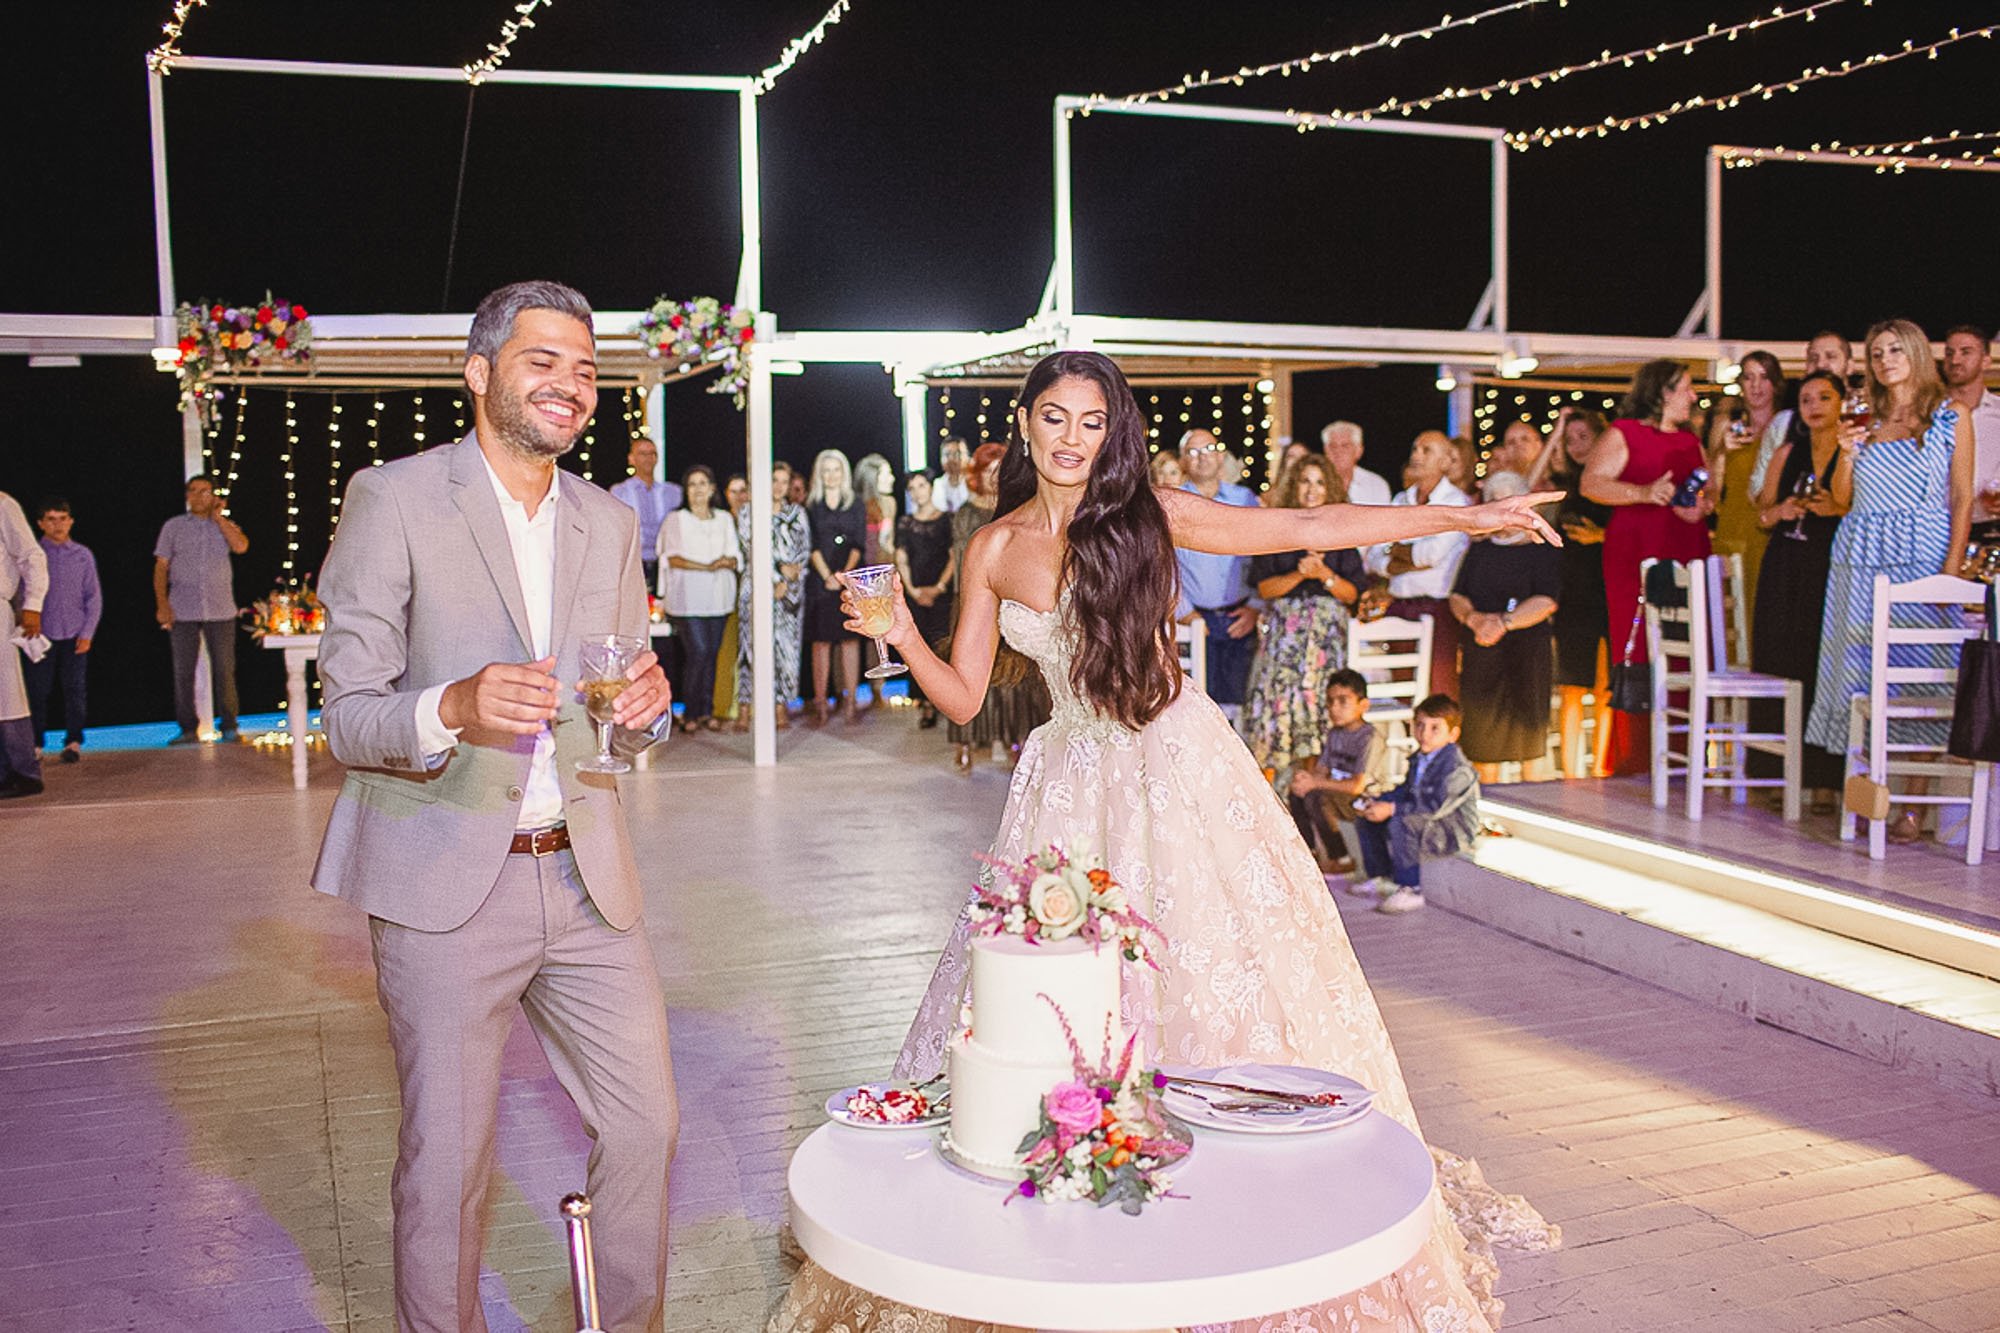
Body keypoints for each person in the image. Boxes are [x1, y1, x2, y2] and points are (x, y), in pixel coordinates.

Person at [773, 350, 1560, 1333]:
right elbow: (965, 697)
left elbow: (1307, 525)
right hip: (1062, 788)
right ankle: (1067, 1230)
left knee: (1218, 983)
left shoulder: (1148, 510)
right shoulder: (991, 547)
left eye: (1089, 421)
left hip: (1177, 769)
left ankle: (1221, 1231)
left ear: (1113, 431)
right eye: (1052, 417)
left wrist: (1461, 515)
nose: (1069, 438)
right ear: (1024, 424)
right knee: (1049, 1016)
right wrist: (896, 632)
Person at [311, 281, 677, 1332]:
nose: (569, 385)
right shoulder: (395, 496)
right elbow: (348, 712)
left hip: (588, 875)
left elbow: (619, 704)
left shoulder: (607, 521)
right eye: (542, 361)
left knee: (646, 1130)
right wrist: (453, 705)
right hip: (444, 886)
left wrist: (647, 711)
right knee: (447, 1167)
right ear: (479, 373)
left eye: (585, 369)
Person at [1805, 319, 1976, 844]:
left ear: (1918, 354)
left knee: (1921, 676)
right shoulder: (1864, 418)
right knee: (1860, 679)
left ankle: (1910, 805)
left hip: (1922, 554)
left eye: (1895, 350)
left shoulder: (1951, 416)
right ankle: (1866, 796)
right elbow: (1841, 498)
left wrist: (1949, 573)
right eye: (1877, 352)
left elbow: (1963, 498)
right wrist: (1847, 450)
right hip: (1860, 552)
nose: (1885, 360)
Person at [1583, 360, 1713, 776]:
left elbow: (1706, 495)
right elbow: (1591, 484)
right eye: (1686, 388)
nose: (1692, 397)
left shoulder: (1692, 440)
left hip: (1685, 547)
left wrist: (1701, 508)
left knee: (1688, 647)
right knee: (1640, 644)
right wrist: (1643, 491)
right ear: (1662, 392)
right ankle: (1636, 757)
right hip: (1636, 550)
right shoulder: (1625, 433)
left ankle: (1684, 756)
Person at [1749, 371, 1848, 801]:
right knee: (1779, 660)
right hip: (1786, 564)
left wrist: (1838, 507)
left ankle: (1825, 783)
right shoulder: (1787, 451)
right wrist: (1784, 509)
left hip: (1831, 561)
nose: (1814, 405)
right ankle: (1774, 774)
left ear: (1842, 402)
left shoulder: (1854, 450)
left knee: (1824, 664)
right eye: (1806, 398)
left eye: (1825, 396)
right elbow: (1762, 516)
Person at [1241, 453, 1364, 797]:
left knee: (1318, 710)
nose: (1312, 489)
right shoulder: (1276, 529)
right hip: (1285, 639)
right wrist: (1300, 572)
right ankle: (1272, 796)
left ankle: (1310, 792)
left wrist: (1323, 574)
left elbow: (1352, 593)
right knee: (1277, 715)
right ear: (1294, 486)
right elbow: (1265, 588)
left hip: (1325, 640)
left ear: (1331, 488)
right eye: (1305, 481)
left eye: (1320, 482)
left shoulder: (1341, 533)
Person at [944, 442, 1051, 770]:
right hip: (971, 601)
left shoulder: (1014, 510)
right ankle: (964, 743)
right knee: (967, 679)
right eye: (988, 471)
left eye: (999, 472)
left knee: (1013, 682)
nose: (994, 478)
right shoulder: (966, 514)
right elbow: (965, 563)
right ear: (977, 475)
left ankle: (1015, 739)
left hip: (1010, 603)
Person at [1450, 471, 1561, 783]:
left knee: (1529, 739)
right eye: (1494, 500)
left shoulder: (1540, 548)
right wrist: (1474, 620)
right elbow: (1458, 595)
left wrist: (1503, 623)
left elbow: (1546, 600)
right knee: (1483, 739)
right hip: (1481, 647)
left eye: (1507, 499)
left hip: (1525, 650)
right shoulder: (1480, 549)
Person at [1362, 430, 1472, 699]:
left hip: (1437, 609)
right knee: (1400, 689)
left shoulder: (1457, 502)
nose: (1416, 455)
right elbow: (1375, 556)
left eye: (1426, 450)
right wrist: (1403, 559)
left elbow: (1432, 555)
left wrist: (1397, 550)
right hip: (1398, 605)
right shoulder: (1400, 501)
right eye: (1415, 448)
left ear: (1447, 461)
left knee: (1437, 691)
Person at [1352, 694, 1482, 915]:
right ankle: (1381, 876)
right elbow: (1406, 791)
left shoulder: (1456, 768)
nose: (1424, 734)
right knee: (1369, 816)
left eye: (1434, 728)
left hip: (1452, 828)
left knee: (1402, 821)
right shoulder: (1420, 758)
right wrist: (1379, 801)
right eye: (1420, 725)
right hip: (1427, 819)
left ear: (1452, 734)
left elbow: (1434, 807)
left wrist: (1392, 809)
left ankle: (1411, 888)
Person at [153, 473, 249, 745]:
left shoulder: (223, 526)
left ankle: (229, 725)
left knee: (224, 669)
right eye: (193, 491)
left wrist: (219, 518)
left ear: (214, 495)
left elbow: (241, 546)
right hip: (182, 609)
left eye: (204, 491)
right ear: (187, 495)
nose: (198, 496)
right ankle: (187, 728)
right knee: (183, 671)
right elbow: (161, 566)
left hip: (220, 610)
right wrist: (162, 604)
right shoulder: (173, 527)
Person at [1547, 408, 1615, 779]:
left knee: (1605, 686)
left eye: (1582, 437)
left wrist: (1602, 537)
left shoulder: (1613, 482)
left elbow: (1632, 536)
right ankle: (1571, 772)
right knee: (1571, 685)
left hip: (1605, 587)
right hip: (1572, 589)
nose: (1575, 446)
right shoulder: (1566, 483)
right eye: (1570, 440)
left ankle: (1601, 766)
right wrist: (1558, 431)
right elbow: (1538, 474)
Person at [1175, 428, 1260, 718]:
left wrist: (1255, 607)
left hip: (1241, 617)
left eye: (1208, 449)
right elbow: (1161, 565)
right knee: (1196, 709)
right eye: (1193, 452)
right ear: (1183, 461)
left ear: (1221, 456)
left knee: (1240, 707)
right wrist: (1185, 613)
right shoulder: (1173, 502)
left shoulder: (1244, 499)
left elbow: (1262, 554)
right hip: (1193, 619)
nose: (1202, 458)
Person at [1707, 350, 1785, 636]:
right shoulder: (1729, 428)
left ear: (1775, 384)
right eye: (1749, 377)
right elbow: (1711, 494)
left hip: (1770, 532)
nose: (1756, 385)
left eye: (1764, 377)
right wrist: (1721, 454)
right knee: (1729, 621)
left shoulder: (1786, 428)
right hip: (1733, 530)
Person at [1287, 668, 1394, 876]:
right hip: (1340, 795)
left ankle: (1341, 857)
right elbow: (1321, 770)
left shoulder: (1370, 738)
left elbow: (1357, 786)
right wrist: (1306, 779)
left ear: (1363, 705)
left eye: (1343, 701)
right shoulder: (1335, 733)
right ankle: (1310, 852)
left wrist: (1315, 783)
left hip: (1365, 799)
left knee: (1317, 797)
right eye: (1330, 701)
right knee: (1298, 792)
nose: (1334, 708)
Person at [658, 465, 741, 734]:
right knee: (698, 653)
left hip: (718, 598)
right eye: (692, 484)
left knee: (712, 655)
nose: (698, 489)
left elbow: (735, 556)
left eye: (703, 483)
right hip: (687, 599)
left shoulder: (724, 519)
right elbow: (672, 557)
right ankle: (690, 712)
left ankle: (706, 712)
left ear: (712, 488)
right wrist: (707, 567)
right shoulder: (676, 519)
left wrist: (725, 561)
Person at [733, 460, 810, 732]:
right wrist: (775, 576)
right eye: (774, 480)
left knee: (785, 650)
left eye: (784, 481)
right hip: (756, 587)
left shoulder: (796, 513)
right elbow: (750, 549)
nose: (779, 486)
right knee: (749, 647)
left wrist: (788, 581)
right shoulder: (748, 513)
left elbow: (803, 552)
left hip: (790, 593)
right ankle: (745, 709)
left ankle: (780, 707)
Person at [26, 498, 100, 763]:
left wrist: (87, 633)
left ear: (71, 521)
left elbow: (93, 597)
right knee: (37, 690)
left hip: (74, 634)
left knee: (75, 689)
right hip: (40, 635)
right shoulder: (33, 555)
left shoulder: (82, 555)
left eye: (62, 519)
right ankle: (34, 743)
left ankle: (73, 741)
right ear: (40, 524)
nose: (57, 525)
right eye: (51, 519)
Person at [1749, 329, 1852, 501]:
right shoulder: (1784, 423)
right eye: (1813, 358)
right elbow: (1758, 491)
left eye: (1831, 356)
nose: (1821, 364)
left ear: (1849, 366)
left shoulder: (1864, 421)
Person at [804, 450, 866, 725]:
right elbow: (811, 545)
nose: (831, 475)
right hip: (820, 580)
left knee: (850, 640)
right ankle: (821, 704)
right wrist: (827, 575)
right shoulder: (812, 505)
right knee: (821, 643)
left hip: (848, 579)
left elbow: (858, 543)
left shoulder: (855, 504)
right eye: (826, 470)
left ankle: (851, 701)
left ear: (844, 473)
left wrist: (843, 576)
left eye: (836, 469)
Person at [894, 471, 955, 728]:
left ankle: (949, 701)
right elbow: (901, 558)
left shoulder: (946, 520)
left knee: (942, 645)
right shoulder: (906, 523)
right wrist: (913, 590)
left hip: (941, 593)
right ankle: (926, 704)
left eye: (921, 486)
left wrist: (938, 587)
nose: (918, 491)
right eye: (912, 488)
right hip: (915, 592)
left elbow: (953, 556)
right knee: (918, 648)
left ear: (930, 488)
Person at [0, 491, 48, 798]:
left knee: (6, 692)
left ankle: (23, 771)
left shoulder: (3, 504)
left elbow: (31, 555)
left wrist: (32, 604)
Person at [1941, 324, 2000, 546]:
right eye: (1949, 353)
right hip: (1937, 528)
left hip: (1990, 530)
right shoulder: (1928, 414)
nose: (1955, 360)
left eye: (1966, 352)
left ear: (1986, 360)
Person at [608, 436, 681, 589]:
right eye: (642, 454)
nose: (648, 458)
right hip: (633, 564)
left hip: (665, 564)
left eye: (652, 454)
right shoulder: (619, 492)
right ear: (631, 459)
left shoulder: (673, 492)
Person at [1321, 419, 1394, 505]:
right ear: (1325, 450)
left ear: (1359, 451)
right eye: (1333, 446)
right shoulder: (1313, 482)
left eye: (1345, 446)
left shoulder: (1376, 485)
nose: (1338, 452)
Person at [854, 452, 898, 568]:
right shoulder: (858, 508)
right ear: (872, 478)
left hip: (887, 568)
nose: (892, 478)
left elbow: (889, 546)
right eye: (887, 474)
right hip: (866, 571)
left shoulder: (890, 503)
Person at [915, 436, 972, 513]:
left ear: (968, 457)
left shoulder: (977, 484)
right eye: (947, 454)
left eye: (957, 454)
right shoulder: (935, 485)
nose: (952, 459)